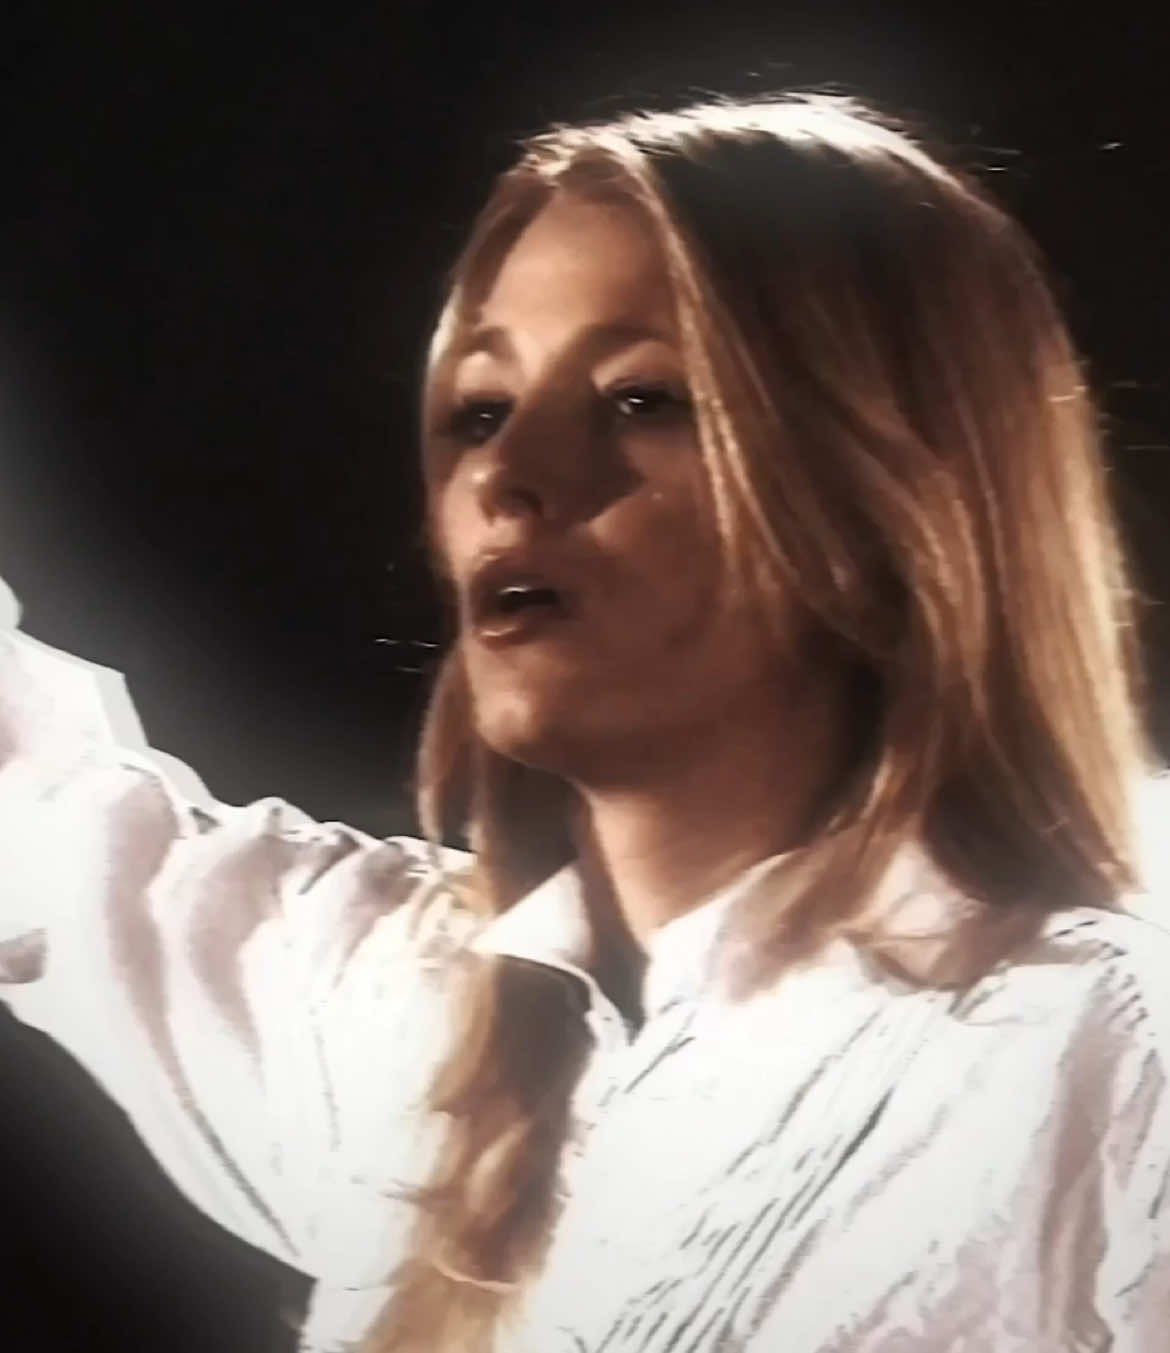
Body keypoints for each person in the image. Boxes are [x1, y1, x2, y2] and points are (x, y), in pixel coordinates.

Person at [1, 91, 1168, 1353]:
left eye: (643, 399)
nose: (504, 477)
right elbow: (46, 812)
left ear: (894, 492)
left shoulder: (1101, 1060)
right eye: (480, 409)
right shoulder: (400, 1018)